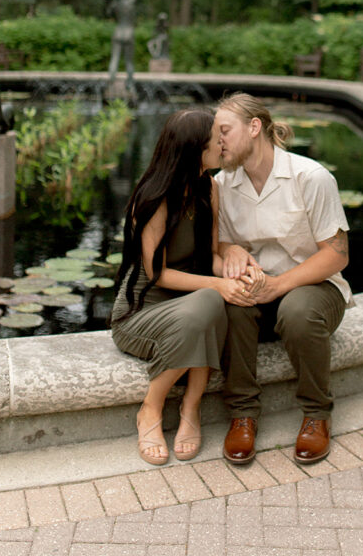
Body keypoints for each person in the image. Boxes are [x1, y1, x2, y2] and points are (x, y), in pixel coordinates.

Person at [111, 108, 263, 465]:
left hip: (194, 302)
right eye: (216, 137)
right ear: (195, 148)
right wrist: (217, 286)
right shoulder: (152, 198)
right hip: (141, 312)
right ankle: (151, 407)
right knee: (210, 300)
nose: (222, 142)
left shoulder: (207, 186)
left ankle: (191, 408)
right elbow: (158, 275)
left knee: (216, 300)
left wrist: (237, 273)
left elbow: (210, 256)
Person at [214, 93, 353, 466]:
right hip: (258, 286)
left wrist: (278, 285)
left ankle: (316, 413)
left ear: (254, 127)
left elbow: (337, 254)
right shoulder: (223, 184)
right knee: (229, 304)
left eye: (224, 131)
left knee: (296, 311)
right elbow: (222, 241)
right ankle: (242, 414)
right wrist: (231, 252)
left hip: (315, 286)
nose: (217, 141)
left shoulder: (311, 177)